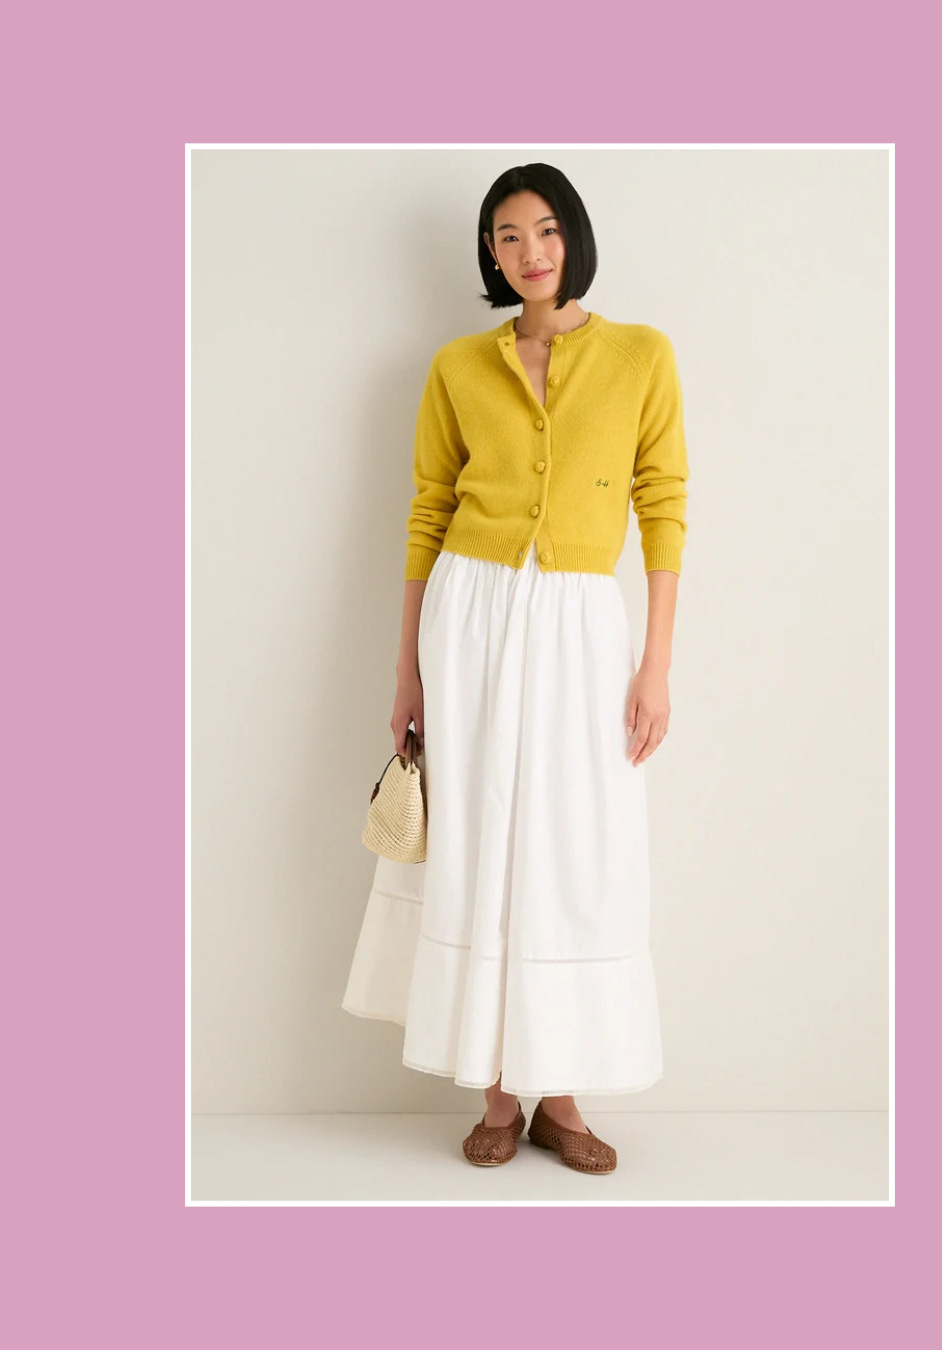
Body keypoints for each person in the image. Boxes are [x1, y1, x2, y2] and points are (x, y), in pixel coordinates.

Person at [342, 163, 689, 1176]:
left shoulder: (641, 355)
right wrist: (406, 669)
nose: (529, 251)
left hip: (582, 621)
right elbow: (427, 511)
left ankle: (561, 1092)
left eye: (545, 230)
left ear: (573, 236)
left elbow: (664, 502)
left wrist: (656, 663)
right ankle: (499, 1092)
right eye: (507, 236)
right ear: (490, 255)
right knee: (483, 834)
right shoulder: (458, 366)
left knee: (574, 845)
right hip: (470, 614)